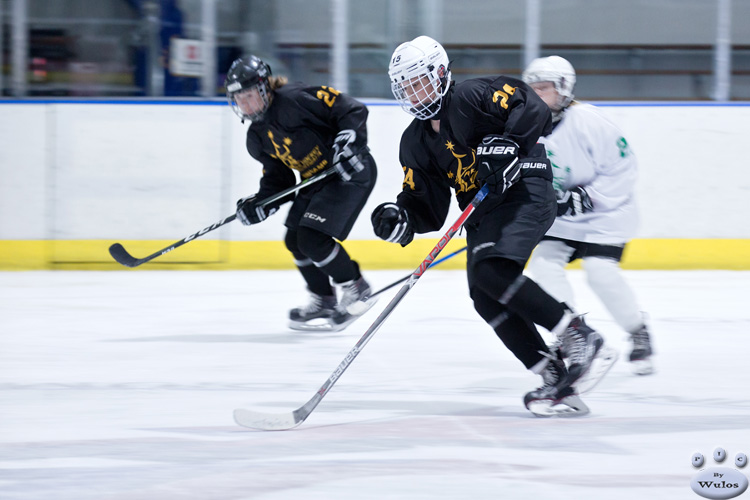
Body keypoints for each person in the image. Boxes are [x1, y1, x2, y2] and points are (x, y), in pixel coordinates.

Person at [372, 36, 613, 417]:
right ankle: (553, 377)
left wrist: (510, 145)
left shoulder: (472, 95)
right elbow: (427, 208)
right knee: (485, 296)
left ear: (439, 73)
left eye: (419, 82)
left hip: (525, 191)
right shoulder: (415, 141)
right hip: (484, 213)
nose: (414, 94)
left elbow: (530, 105)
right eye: (406, 87)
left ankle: (577, 334)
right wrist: (402, 217)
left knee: (492, 270)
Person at [225, 55, 378, 332]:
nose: (244, 104)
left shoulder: (295, 98)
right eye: (238, 99)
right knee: (295, 240)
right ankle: (324, 299)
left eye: (248, 96)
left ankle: (357, 288)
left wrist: (348, 141)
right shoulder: (257, 137)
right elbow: (279, 181)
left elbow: (351, 109)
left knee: (312, 238)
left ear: (263, 88)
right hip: (315, 181)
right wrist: (260, 204)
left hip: (349, 172)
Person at [522, 55, 654, 375]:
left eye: (546, 88)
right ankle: (572, 332)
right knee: (543, 265)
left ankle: (638, 330)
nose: (538, 95)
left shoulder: (590, 121)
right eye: (532, 89)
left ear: (564, 90)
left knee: (599, 272)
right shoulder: (525, 127)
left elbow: (624, 167)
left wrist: (588, 197)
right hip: (564, 217)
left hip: (605, 215)